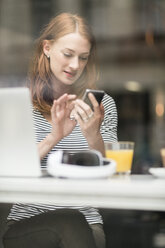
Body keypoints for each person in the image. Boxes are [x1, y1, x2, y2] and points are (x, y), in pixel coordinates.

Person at [3, 12, 118, 248]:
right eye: (68, 54)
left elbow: (113, 171)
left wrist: (92, 135)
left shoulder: (101, 105)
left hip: (87, 225)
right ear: (47, 48)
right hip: (27, 223)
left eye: (83, 58)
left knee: (75, 223)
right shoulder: (19, 103)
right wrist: (54, 136)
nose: (75, 65)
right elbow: (6, 169)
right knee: (69, 222)